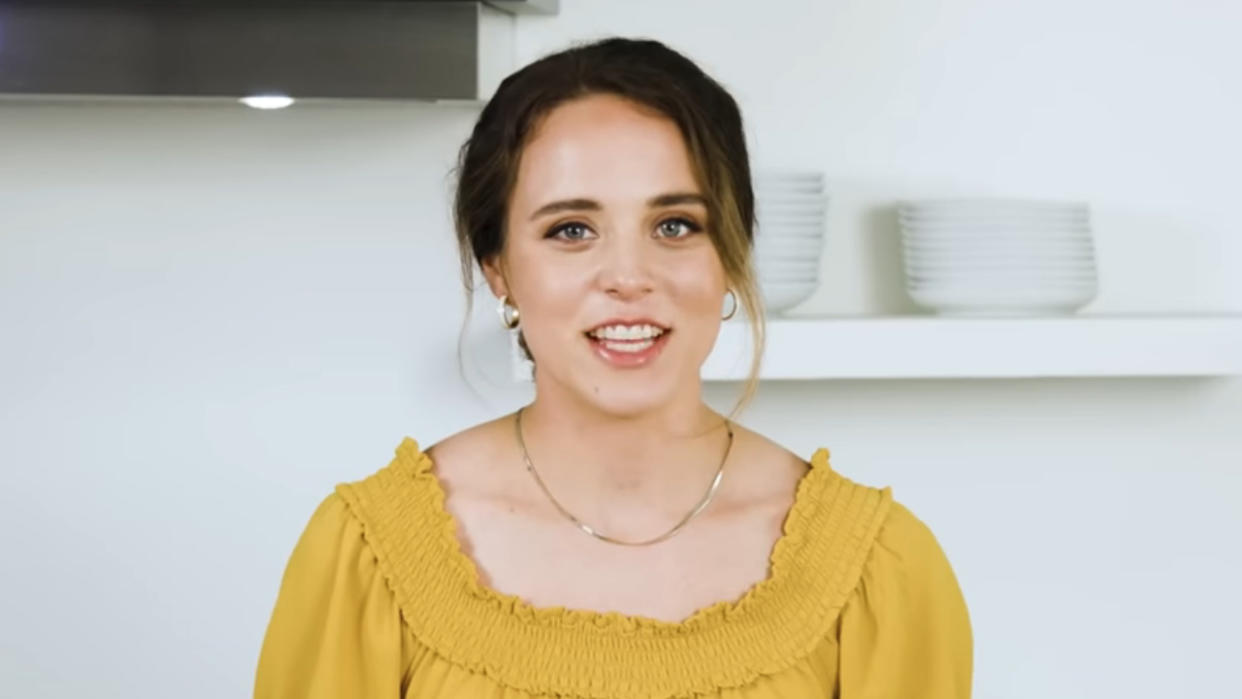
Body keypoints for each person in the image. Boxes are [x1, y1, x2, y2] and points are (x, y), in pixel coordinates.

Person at [253, 36, 972, 698]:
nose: (629, 275)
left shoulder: (879, 571)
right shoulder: (367, 558)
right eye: (572, 229)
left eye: (675, 225)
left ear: (729, 255)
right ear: (498, 266)